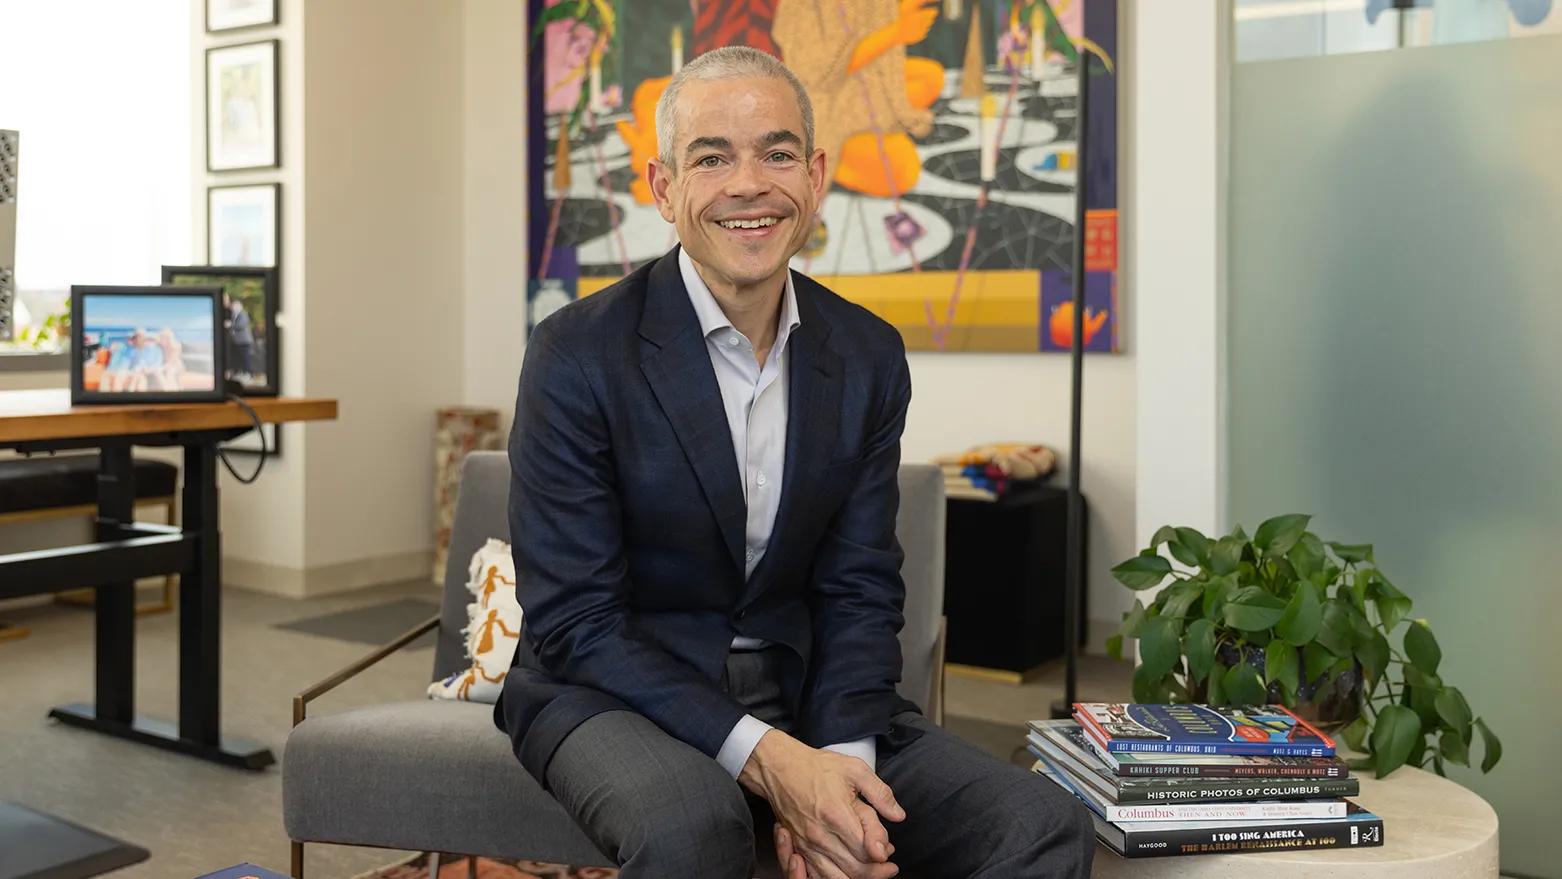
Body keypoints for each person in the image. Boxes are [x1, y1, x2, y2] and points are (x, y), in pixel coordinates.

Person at [494, 46, 1093, 879]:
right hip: (613, 692)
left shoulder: (868, 354)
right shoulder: (576, 353)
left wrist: (837, 769)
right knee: (693, 831)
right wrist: (776, 764)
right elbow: (577, 622)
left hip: (809, 690)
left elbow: (858, 586)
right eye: (712, 157)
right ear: (663, 189)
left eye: (776, 153)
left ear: (814, 177)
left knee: (1038, 823)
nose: (750, 183)